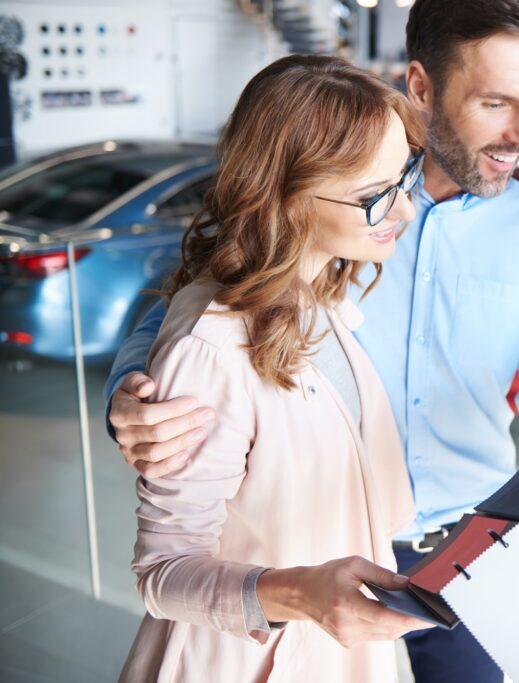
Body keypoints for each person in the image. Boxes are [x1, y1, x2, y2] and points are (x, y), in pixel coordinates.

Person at [104, 2, 519, 681]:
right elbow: (205, 300)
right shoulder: (333, 203)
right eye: (495, 102)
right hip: (306, 557)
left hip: (465, 544)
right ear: (421, 87)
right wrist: (130, 389)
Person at [118, 55, 433, 682]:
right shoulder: (210, 349)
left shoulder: (324, 297)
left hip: (333, 646)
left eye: (404, 178)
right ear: (282, 194)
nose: (403, 211)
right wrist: (301, 594)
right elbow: (162, 574)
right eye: (373, 197)